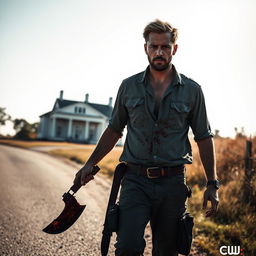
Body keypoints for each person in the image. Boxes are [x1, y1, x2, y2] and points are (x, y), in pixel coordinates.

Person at [74, 19, 219, 256]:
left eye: (165, 47)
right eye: (154, 46)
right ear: (146, 48)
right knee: (127, 248)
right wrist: (91, 163)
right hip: (135, 181)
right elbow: (114, 130)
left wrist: (212, 183)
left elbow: (204, 137)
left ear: (175, 48)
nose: (159, 52)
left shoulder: (193, 91)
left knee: (166, 251)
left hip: (172, 184)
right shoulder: (128, 87)